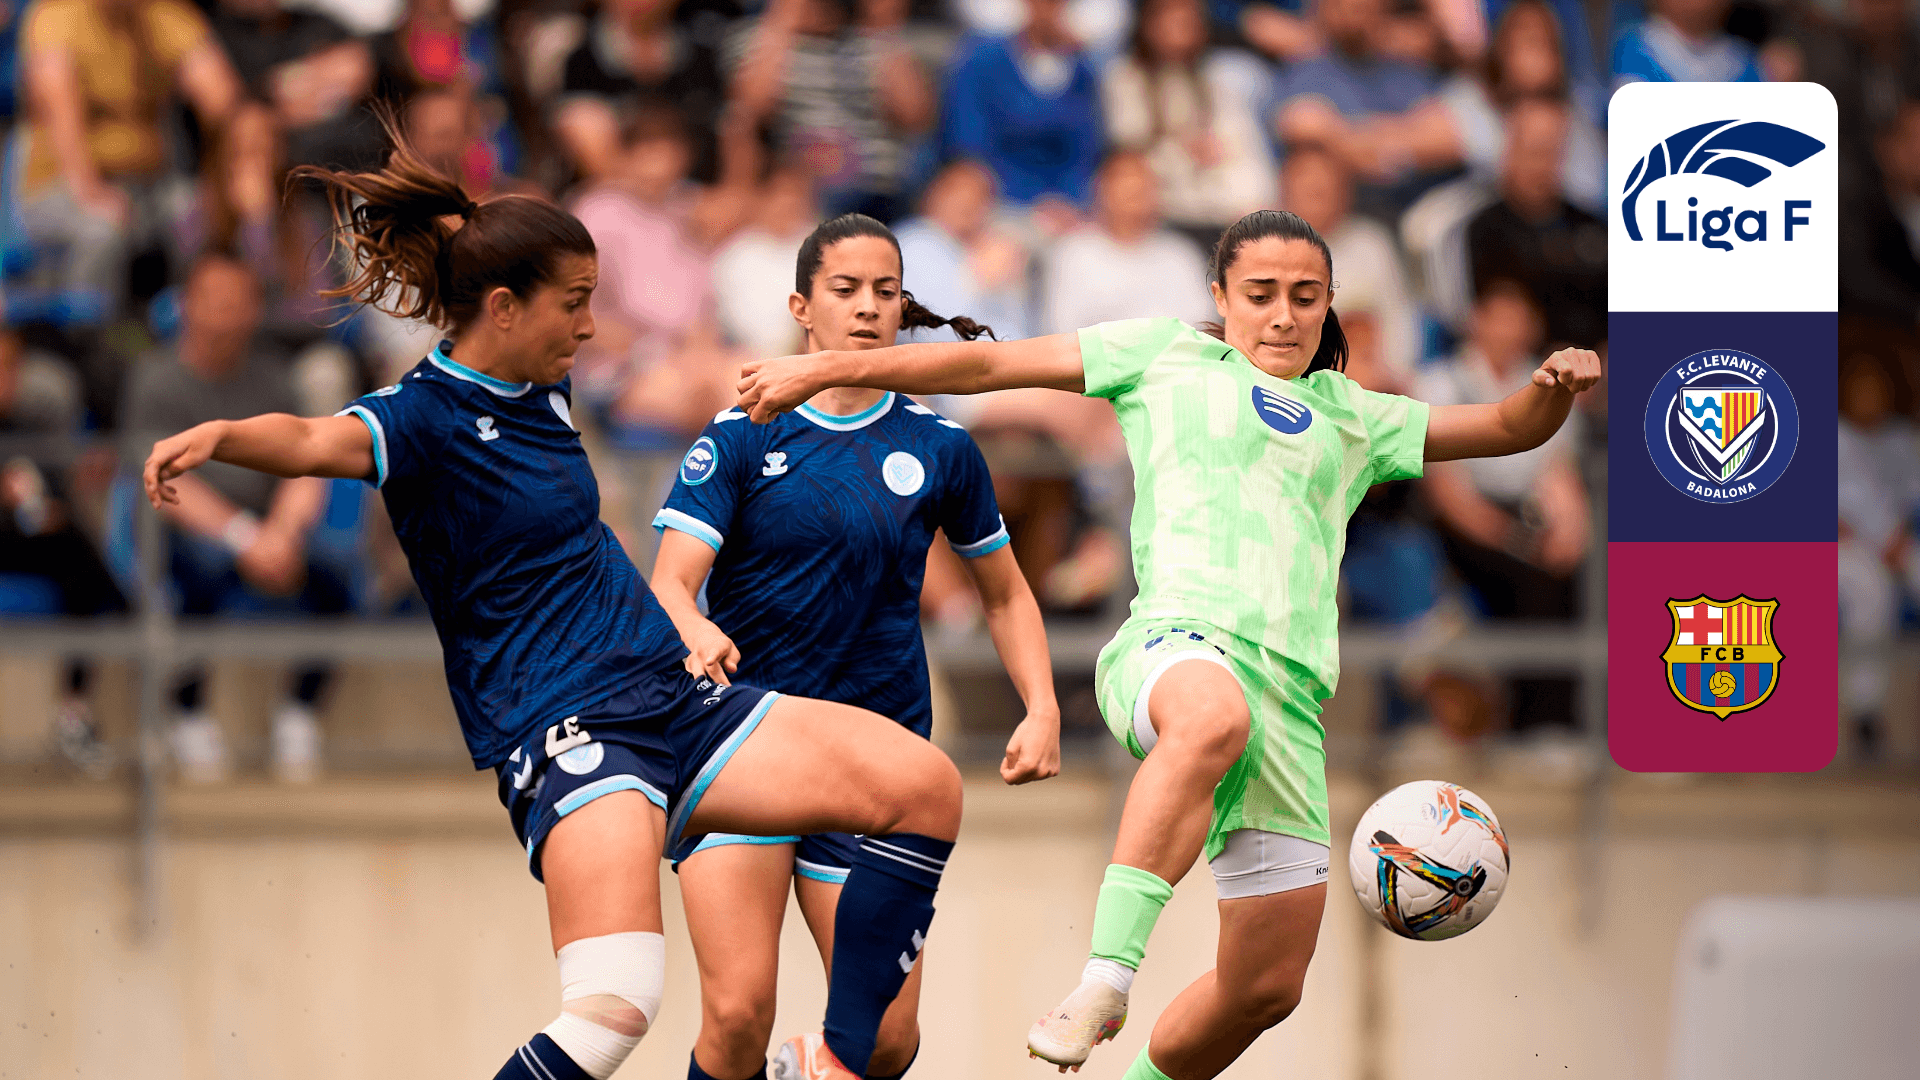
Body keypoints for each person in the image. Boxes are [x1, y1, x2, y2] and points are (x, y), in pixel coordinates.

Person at [141, 129, 965, 1080]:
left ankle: (835, 1062)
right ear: (503, 308)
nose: (588, 325)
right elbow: (310, 439)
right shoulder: (421, 418)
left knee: (924, 787)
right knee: (615, 1010)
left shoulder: (546, 388)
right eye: (574, 303)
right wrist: (219, 434)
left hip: (672, 696)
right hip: (568, 724)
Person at [735, 208, 1600, 1080]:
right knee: (1212, 717)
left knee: (1266, 986)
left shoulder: (1354, 416)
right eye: (1260, 294)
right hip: (1175, 646)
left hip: (1291, 706)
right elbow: (991, 365)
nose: (1283, 315)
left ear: (1328, 302)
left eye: (1305, 297)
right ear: (1220, 295)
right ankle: (1104, 982)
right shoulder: (1162, 354)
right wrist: (830, 367)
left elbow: (1505, 427)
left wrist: (1551, 389)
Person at [651, 212, 1061, 1080]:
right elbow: (671, 584)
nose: (869, 306)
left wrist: (1042, 705)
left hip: (876, 768)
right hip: (747, 749)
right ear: (802, 307)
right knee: (736, 1016)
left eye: (886, 290)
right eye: (846, 289)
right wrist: (693, 624)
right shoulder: (742, 433)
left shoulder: (940, 446)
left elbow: (1004, 592)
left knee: (885, 1042)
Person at [1100, 0, 1276, 232]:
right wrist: (1184, 151)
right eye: (1172, 19)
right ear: (1148, 24)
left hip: (1219, 211)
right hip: (1160, 213)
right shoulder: (1124, 79)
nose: (1180, 29)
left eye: (1189, 21)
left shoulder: (1218, 82)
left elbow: (1241, 149)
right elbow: (1129, 152)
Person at [1039, 151, 1214, 335]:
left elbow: (1203, 327)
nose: (1134, 193)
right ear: (1101, 188)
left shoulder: (1181, 255)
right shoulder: (1072, 254)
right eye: (1125, 183)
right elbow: (1059, 329)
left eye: (1143, 187)